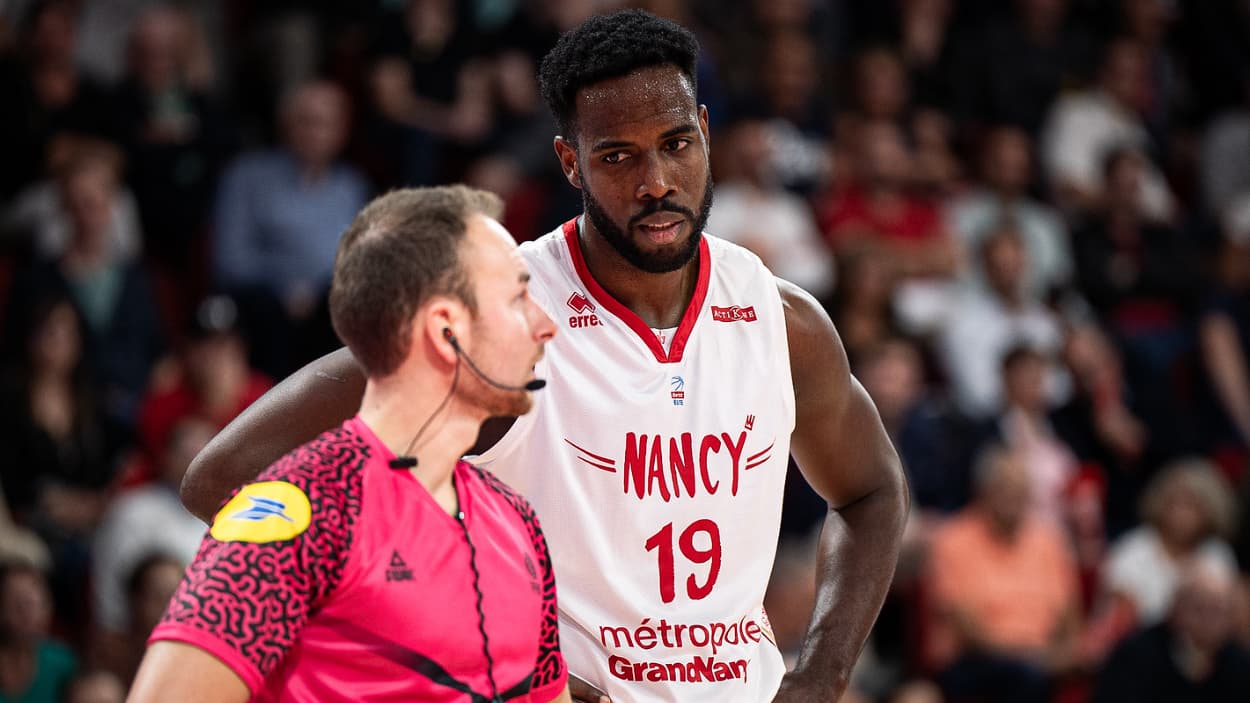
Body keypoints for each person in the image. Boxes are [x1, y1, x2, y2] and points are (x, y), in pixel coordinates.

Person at [181, 10, 908, 703]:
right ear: (570, 161)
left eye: (676, 144)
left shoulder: (778, 318)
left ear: (706, 133)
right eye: (618, 156)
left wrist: (820, 673)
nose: (656, 181)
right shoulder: (500, 318)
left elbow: (872, 493)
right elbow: (224, 477)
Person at [128, 186, 568, 702]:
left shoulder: (517, 522)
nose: (545, 325)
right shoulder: (295, 514)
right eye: (517, 299)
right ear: (445, 330)